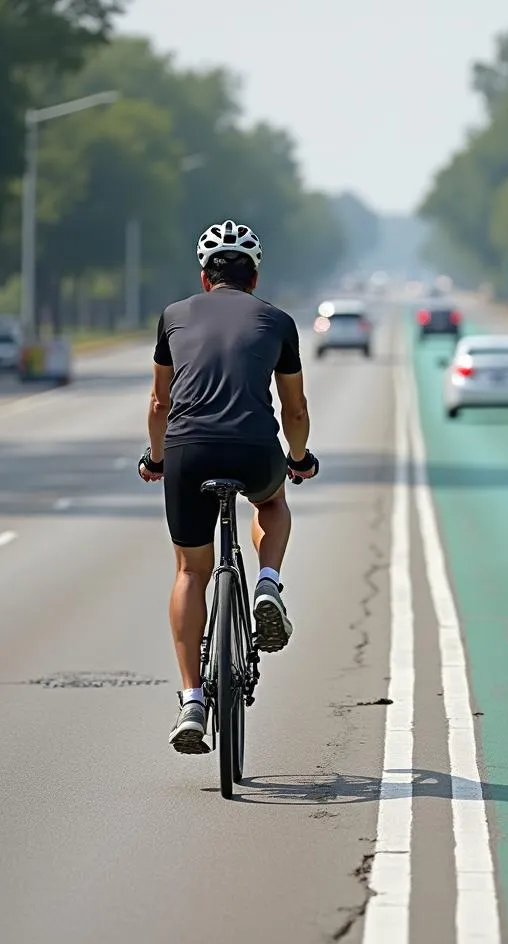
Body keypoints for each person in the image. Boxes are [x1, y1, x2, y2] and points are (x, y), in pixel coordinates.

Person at [138, 220, 318, 754]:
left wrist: (155, 459)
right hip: (253, 448)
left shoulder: (173, 316)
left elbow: (158, 404)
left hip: (189, 452)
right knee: (273, 502)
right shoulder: (279, 322)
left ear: (203, 275)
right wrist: (299, 458)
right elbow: (295, 408)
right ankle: (267, 582)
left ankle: (192, 699)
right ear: (255, 277)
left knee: (192, 569)